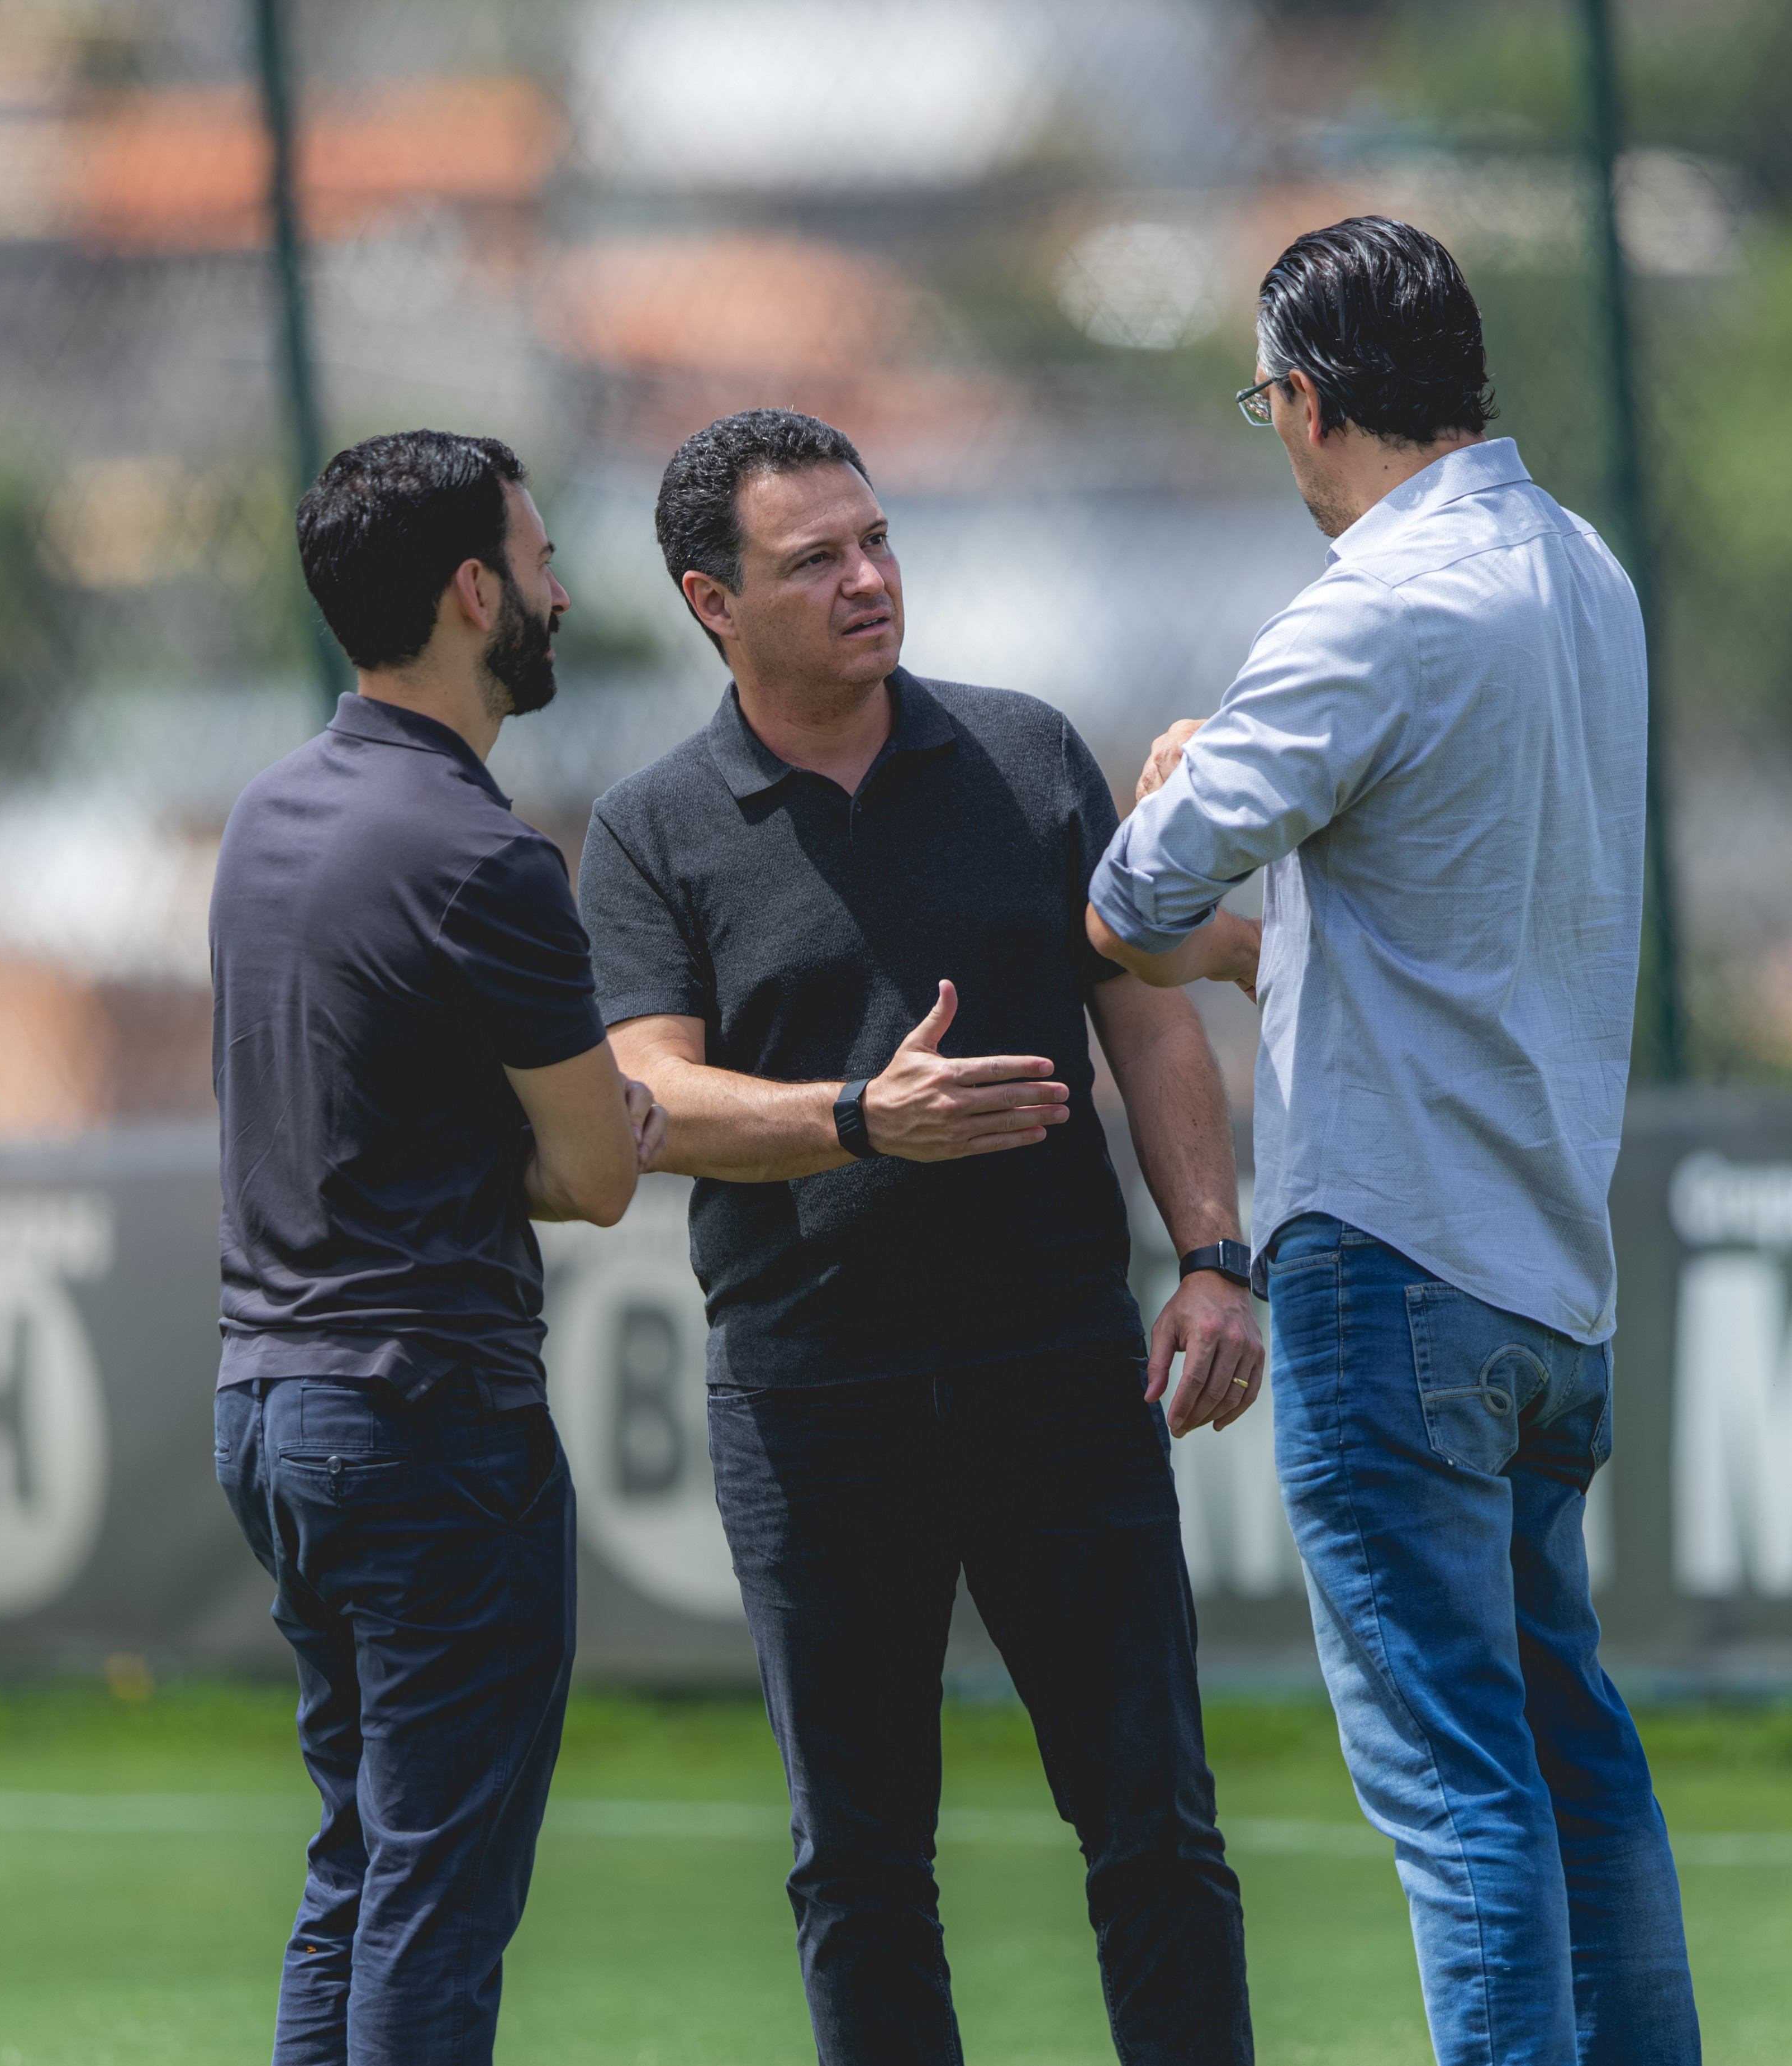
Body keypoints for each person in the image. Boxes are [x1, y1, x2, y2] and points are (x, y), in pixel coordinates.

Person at [1086, 218, 1701, 2066]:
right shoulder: (1584, 571)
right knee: (1575, 1761)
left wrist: (1179, 779)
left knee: (1457, 1791)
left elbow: (1138, 890)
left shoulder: (1370, 604)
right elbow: (1438, 912)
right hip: (1546, 1263)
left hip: (1392, 1261)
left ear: (1306, 396)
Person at [576, 407, 1259, 2066]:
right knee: (862, 1864)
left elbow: (1148, 1011)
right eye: (815, 560)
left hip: (1059, 1371)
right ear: (709, 601)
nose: (870, 579)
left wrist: (1217, 1255)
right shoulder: (651, 831)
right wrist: (862, 1117)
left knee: (1156, 1828)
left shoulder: (1027, 755)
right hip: (814, 1401)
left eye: (877, 541)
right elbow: (644, 1096)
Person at [210, 430, 664, 2066]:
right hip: (424, 1422)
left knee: (359, 1868)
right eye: (538, 560)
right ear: (477, 593)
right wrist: (591, 1128)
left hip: (266, 1413)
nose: (556, 588)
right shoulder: (484, 858)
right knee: (434, 1901)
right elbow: (601, 1176)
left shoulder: (265, 818)